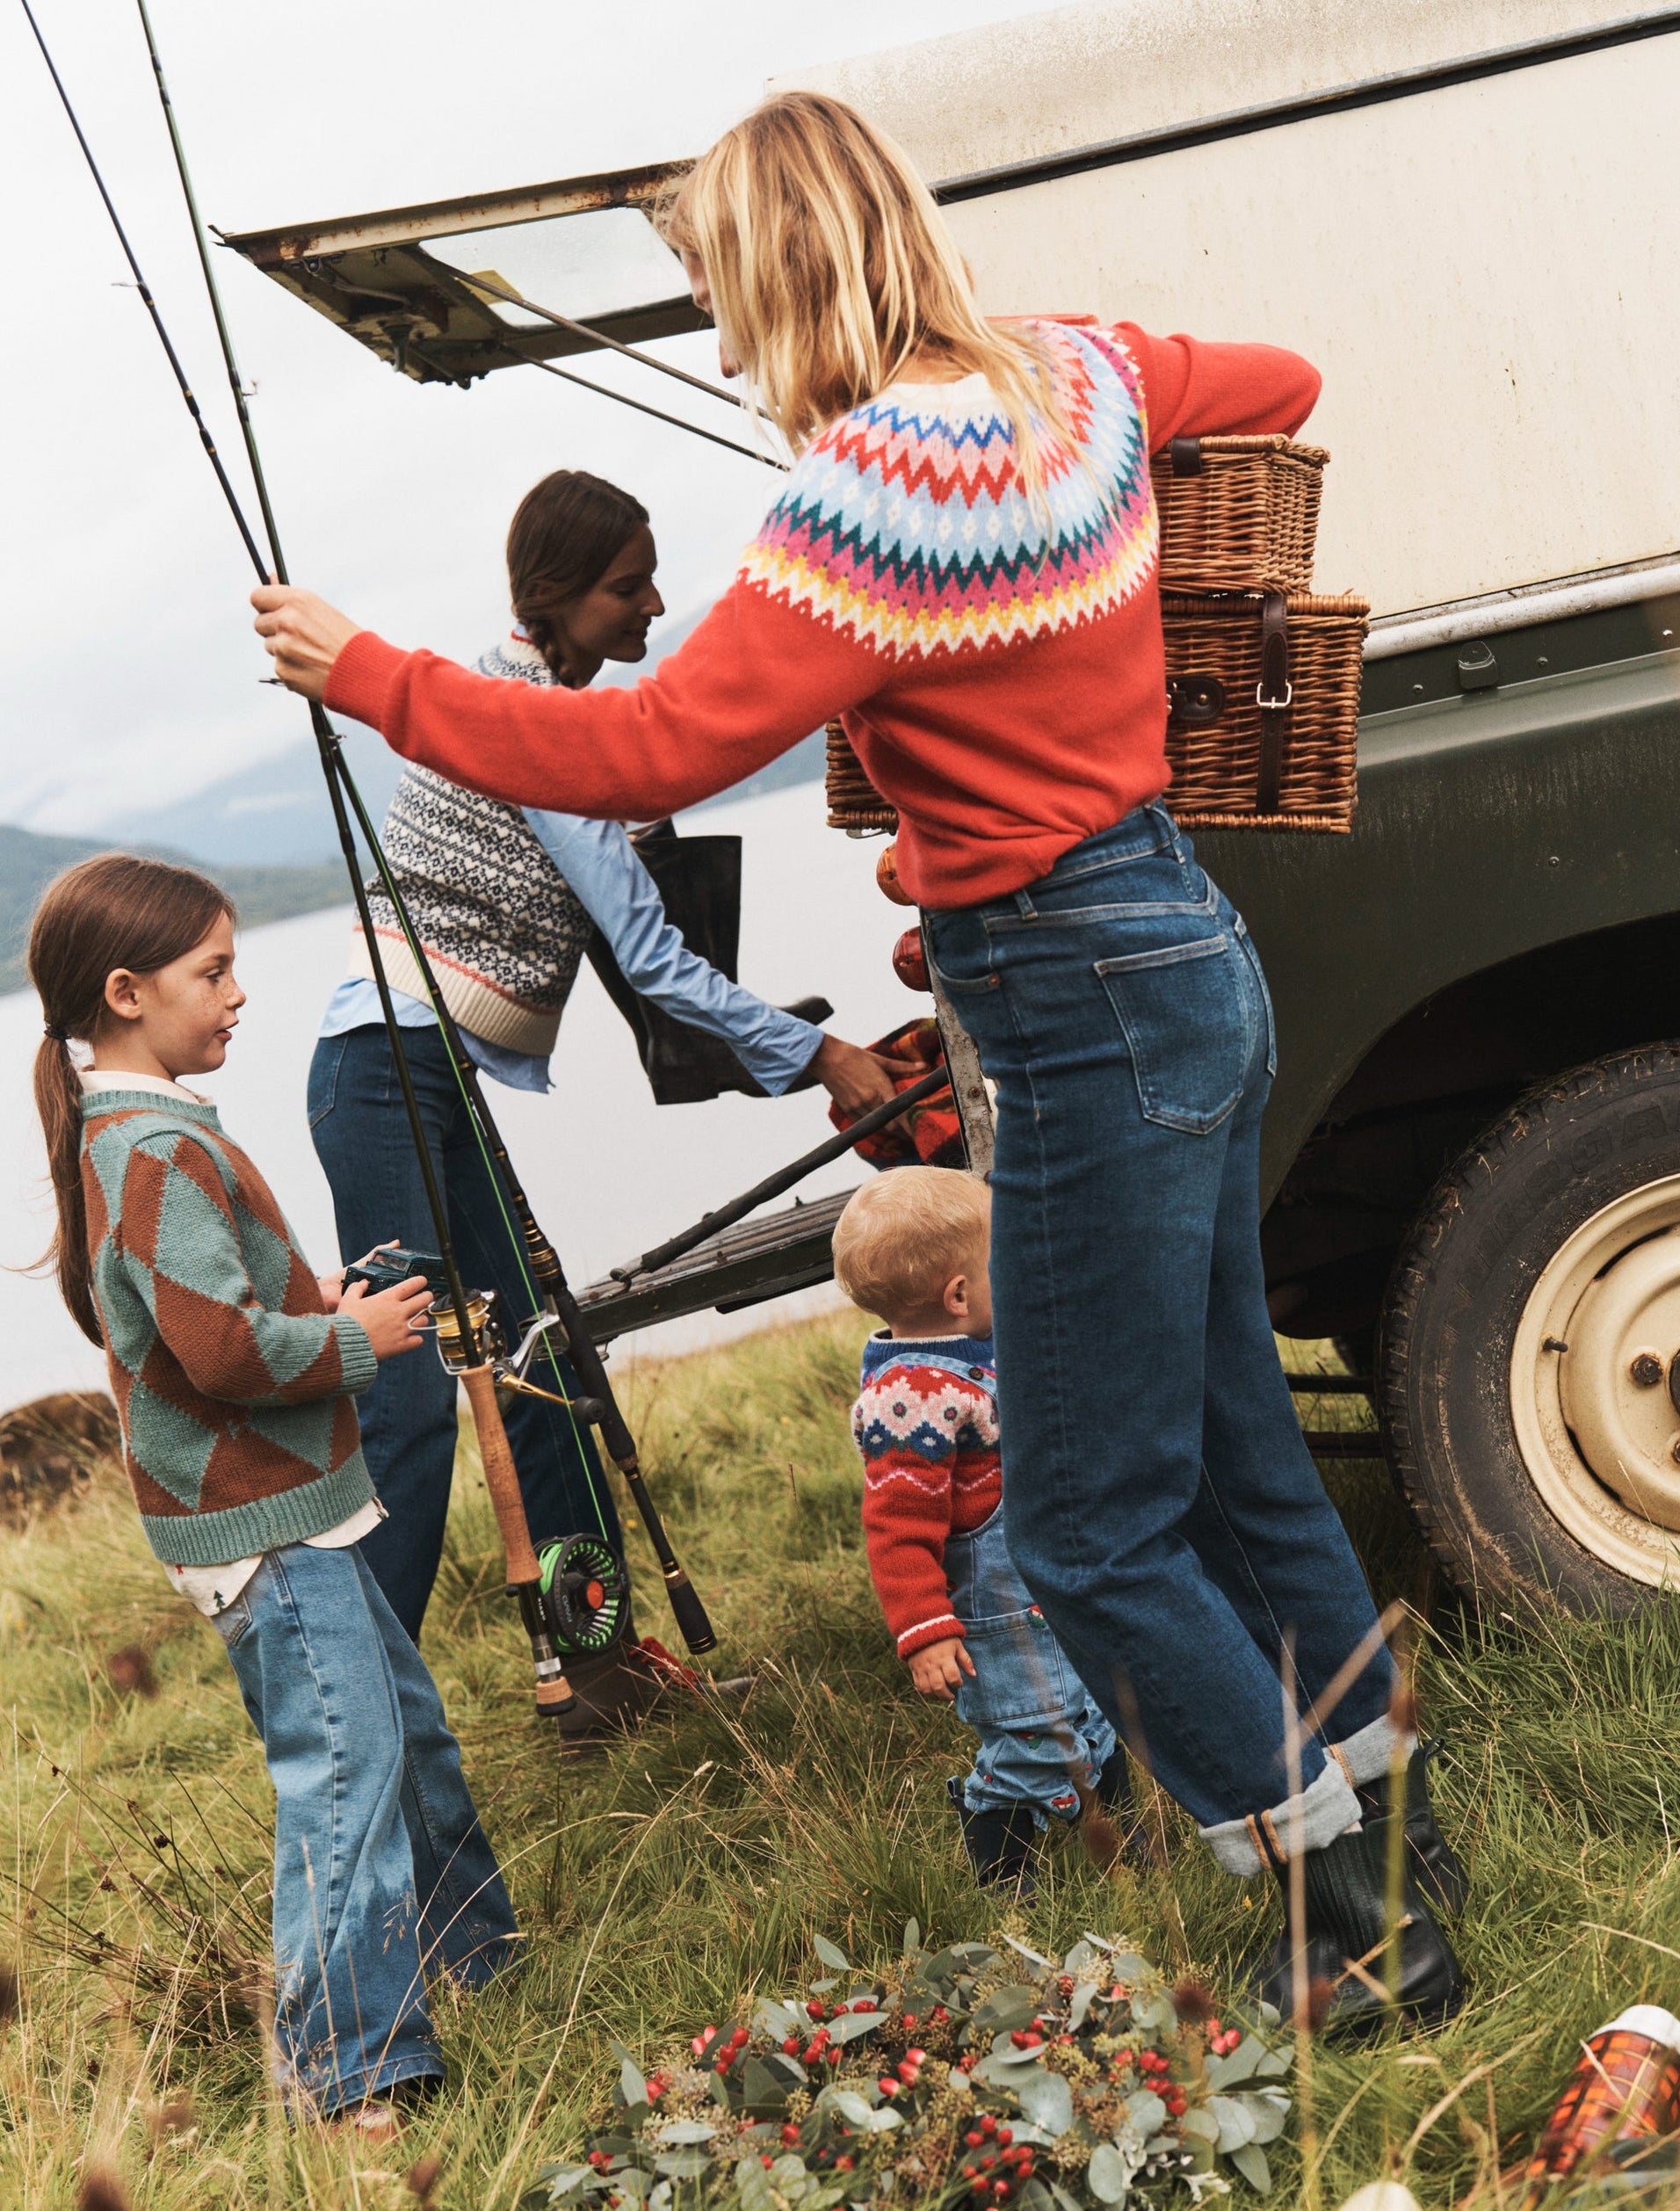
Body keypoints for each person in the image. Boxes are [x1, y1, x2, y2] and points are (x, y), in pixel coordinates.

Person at [253, 91, 1466, 2026]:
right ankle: (1403, 1862)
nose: (725, 340)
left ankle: (1354, 1920)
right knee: (1239, 1457)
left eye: (723, 290)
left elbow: (642, 750)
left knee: (1082, 1531)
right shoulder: (1078, 377)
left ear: (786, 263)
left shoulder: (871, 493)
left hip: (1076, 999)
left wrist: (371, 672)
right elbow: (1283, 371)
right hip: (1178, 940)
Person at [308, 468, 905, 1704]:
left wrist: (765, 1051)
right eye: (626, 589)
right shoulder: (536, 731)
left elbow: (659, 982)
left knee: (540, 1351)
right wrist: (827, 1059)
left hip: (414, 1070)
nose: (652, 608)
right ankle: (363, 1709)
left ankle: (593, 1669)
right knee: (415, 1400)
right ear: (555, 598)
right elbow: (653, 961)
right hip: (388, 1074)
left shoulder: (517, 689)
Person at [26, 853, 518, 2127]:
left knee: (407, 1745)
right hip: (265, 1526)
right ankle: (352, 2072)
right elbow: (222, 1352)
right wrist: (362, 1341)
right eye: (215, 972)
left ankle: (478, 1963)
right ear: (127, 993)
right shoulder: (150, 1148)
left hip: (296, 1507)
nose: (240, 994)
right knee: (345, 1780)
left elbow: (220, 1314)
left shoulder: (142, 1131)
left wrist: (327, 1303)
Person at [834, 1168, 1127, 1895]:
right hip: (997, 1617)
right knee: (1035, 1731)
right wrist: (927, 1629)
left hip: (1047, 1587)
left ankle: (1121, 1837)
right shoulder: (912, 1396)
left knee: (1095, 1708)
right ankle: (999, 1854)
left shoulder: (982, 1354)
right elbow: (897, 1529)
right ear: (958, 1294)